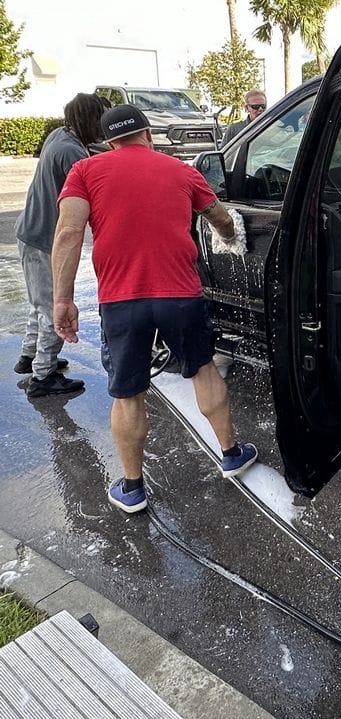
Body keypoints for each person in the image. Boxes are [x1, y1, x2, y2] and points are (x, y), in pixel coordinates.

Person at [51, 104, 258, 514]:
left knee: (128, 394)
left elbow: (69, 232)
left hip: (121, 301)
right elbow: (219, 216)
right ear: (148, 134)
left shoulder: (86, 172)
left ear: (109, 142)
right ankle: (232, 454)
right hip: (180, 295)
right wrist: (230, 233)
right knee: (203, 369)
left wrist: (63, 298)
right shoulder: (181, 171)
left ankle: (132, 487)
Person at [15, 93, 108, 397]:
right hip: (46, 238)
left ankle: (29, 356)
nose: (104, 126)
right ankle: (43, 375)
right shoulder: (72, 153)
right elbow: (95, 192)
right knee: (52, 306)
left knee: (38, 302)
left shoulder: (59, 135)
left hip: (29, 231)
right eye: (101, 119)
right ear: (89, 119)